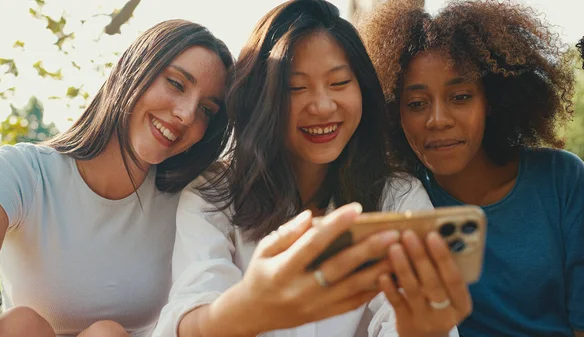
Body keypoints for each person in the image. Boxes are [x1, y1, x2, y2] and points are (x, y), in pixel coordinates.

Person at [152, 1, 472, 336]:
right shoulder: (213, 192)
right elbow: (188, 313)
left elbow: (407, 316)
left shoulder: (398, 197)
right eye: (296, 87)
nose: (322, 106)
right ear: (263, 97)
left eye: (338, 83)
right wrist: (250, 307)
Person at [0, 19, 233, 337]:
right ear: (132, 69)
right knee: (23, 325)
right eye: (176, 83)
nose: (187, 114)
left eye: (207, 110)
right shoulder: (14, 174)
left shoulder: (193, 202)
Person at [360, 0, 584, 336]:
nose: (438, 120)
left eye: (460, 96)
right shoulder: (400, 203)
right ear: (394, 113)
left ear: (491, 99)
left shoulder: (562, 179)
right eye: (417, 104)